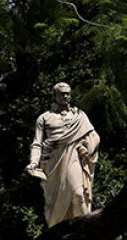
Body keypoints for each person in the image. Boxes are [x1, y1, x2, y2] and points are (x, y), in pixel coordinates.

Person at [26, 82, 101, 227]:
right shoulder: (44, 118)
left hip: (73, 157)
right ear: (55, 96)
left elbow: (94, 137)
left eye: (68, 93)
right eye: (62, 94)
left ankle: (85, 234)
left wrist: (86, 148)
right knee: (54, 204)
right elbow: (37, 144)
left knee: (79, 194)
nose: (66, 96)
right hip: (52, 163)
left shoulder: (79, 116)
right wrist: (34, 163)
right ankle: (57, 235)